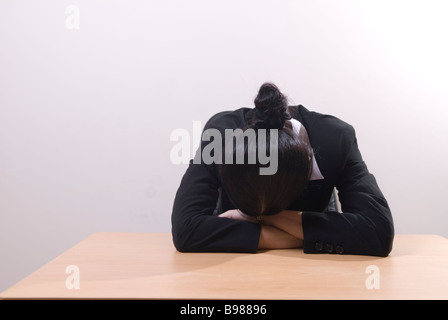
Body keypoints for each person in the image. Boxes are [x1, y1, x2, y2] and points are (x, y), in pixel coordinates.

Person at [171, 83, 394, 256]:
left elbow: (378, 232)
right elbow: (186, 230)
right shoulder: (219, 135)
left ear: (306, 163)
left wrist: (252, 218)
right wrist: (302, 236)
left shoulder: (335, 139)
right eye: (259, 214)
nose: (263, 215)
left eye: (266, 214)